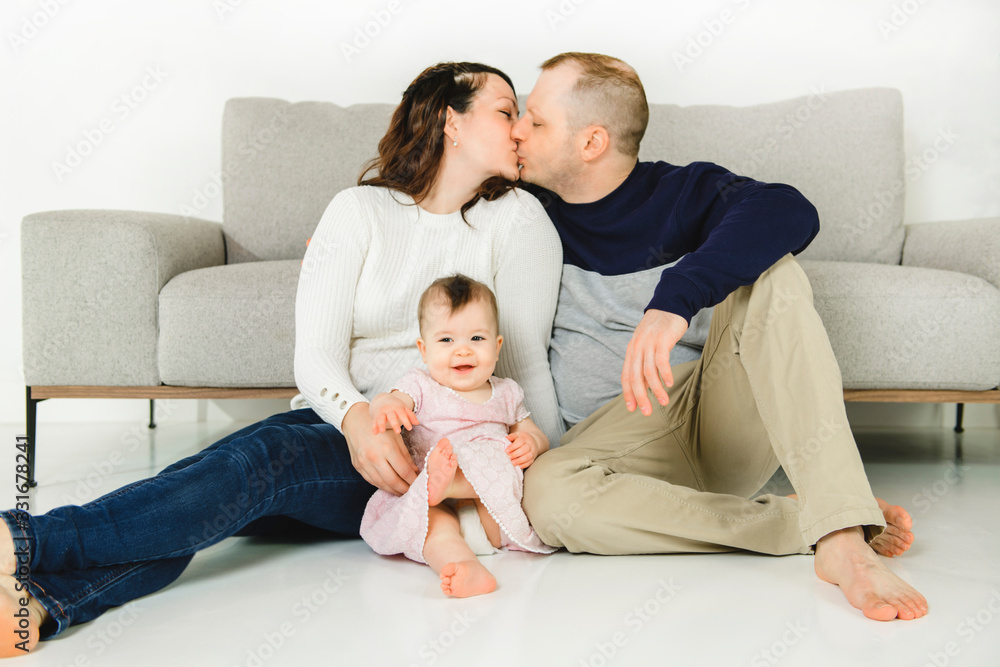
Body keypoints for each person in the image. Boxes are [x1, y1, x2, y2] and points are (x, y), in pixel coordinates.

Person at [0, 61, 564, 656]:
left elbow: (525, 367)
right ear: (451, 121)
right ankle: (40, 605)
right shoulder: (358, 211)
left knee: (247, 467)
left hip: (430, 462)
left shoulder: (519, 221)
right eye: (506, 111)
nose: (520, 128)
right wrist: (357, 421)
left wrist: (533, 475)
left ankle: (22, 542)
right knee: (217, 492)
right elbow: (316, 355)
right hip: (346, 433)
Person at [513, 52, 929, 622]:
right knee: (547, 495)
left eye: (535, 121)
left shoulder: (682, 191)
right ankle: (812, 522)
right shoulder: (522, 212)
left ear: (591, 142)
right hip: (605, 451)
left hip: (710, 415)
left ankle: (840, 540)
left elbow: (787, 208)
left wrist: (673, 300)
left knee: (774, 273)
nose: (517, 131)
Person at [360, 274, 556, 597]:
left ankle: (453, 482)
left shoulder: (506, 392)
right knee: (434, 529)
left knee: (498, 453)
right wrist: (384, 405)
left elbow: (531, 431)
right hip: (435, 502)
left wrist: (532, 443)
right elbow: (391, 400)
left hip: (490, 509)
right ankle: (464, 566)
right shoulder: (420, 385)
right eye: (447, 340)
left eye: (476, 338)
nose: (462, 351)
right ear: (424, 350)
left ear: (497, 346)